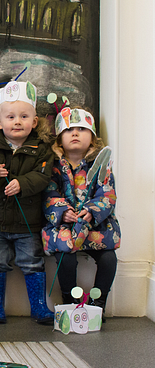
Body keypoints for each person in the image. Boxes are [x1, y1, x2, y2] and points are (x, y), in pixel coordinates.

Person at [0, 80, 55, 324]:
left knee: (32, 262)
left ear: (34, 122)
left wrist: (22, 184)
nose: (17, 121)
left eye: (24, 116)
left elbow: (43, 176)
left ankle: (39, 306)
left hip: (27, 221)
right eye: (11, 116)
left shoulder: (42, 149)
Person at [41, 107, 120, 315]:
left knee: (109, 258)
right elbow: (48, 193)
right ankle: (70, 301)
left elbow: (107, 194)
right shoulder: (53, 166)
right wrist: (61, 211)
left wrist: (92, 211)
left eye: (81, 129)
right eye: (68, 130)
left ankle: (98, 303)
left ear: (92, 139)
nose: (75, 133)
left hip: (95, 226)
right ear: (59, 140)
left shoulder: (101, 166)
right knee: (65, 257)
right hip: (65, 227)